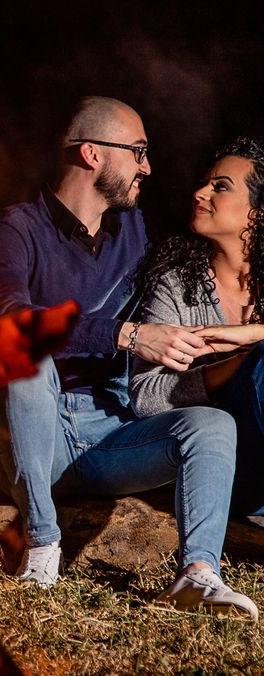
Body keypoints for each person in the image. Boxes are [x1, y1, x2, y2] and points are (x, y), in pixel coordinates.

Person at [0, 96, 258, 620]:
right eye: (138, 151)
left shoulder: (135, 233)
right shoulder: (17, 230)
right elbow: (11, 321)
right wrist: (128, 334)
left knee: (212, 424)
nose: (148, 167)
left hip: (109, 436)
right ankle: (42, 546)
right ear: (92, 154)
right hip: (33, 430)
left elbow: (194, 294)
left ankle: (198, 575)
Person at [131, 135, 264, 523]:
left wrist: (253, 335)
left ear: (257, 213)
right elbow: (144, 397)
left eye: (220, 187)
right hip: (226, 469)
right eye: (207, 182)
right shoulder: (176, 288)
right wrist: (238, 366)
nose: (200, 192)